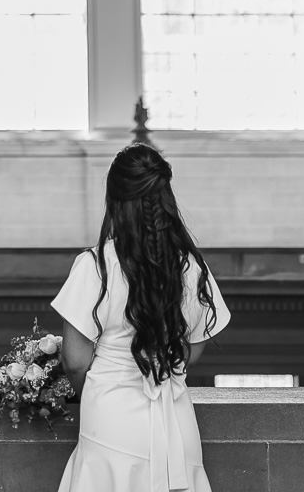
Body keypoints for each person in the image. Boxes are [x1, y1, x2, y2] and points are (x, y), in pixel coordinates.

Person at [51, 143, 230, 492]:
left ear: (114, 200)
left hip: (111, 420)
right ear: (165, 198)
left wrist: (102, 388)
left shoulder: (96, 266)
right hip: (175, 420)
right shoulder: (191, 267)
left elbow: (75, 360)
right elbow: (193, 349)